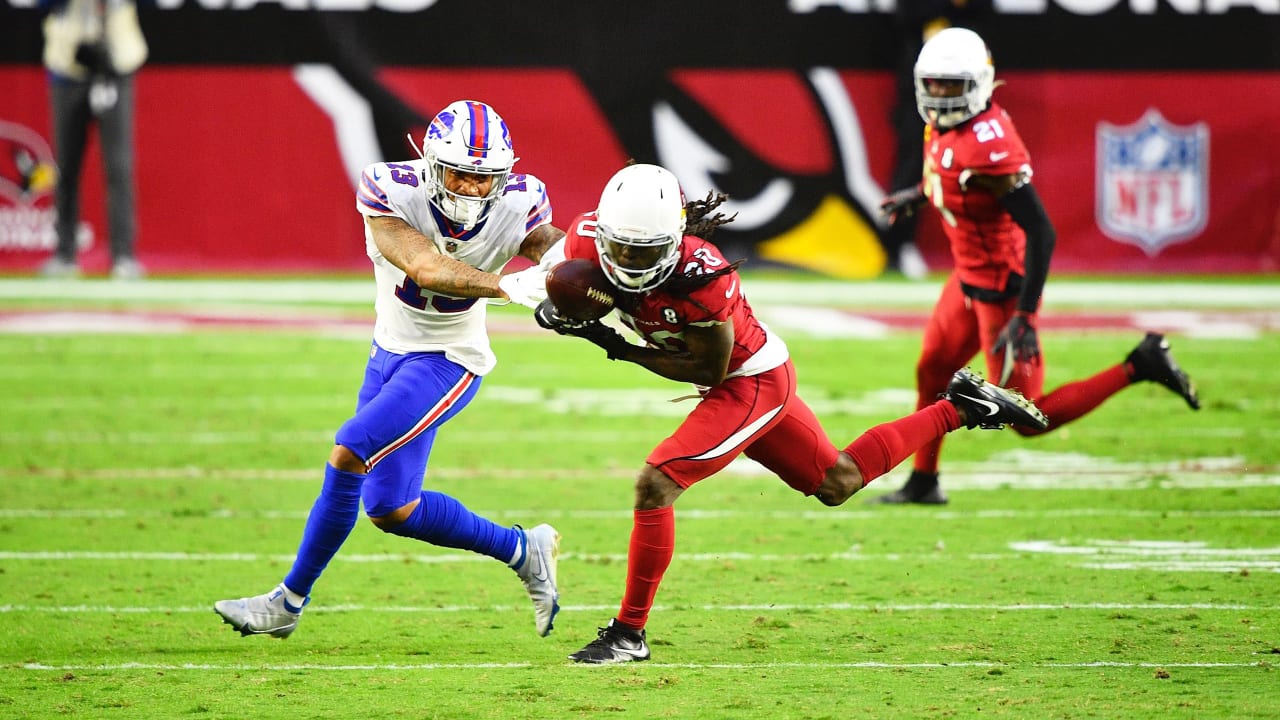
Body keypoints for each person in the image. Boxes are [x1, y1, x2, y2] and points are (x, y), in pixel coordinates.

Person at [532, 163, 1049, 664]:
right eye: (622, 248)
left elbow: (709, 372)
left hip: (748, 379)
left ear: (675, 237)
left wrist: (613, 344)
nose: (632, 262)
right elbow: (548, 270)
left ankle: (628, 634)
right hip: (737, 379)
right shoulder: (582, 242)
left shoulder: (703, 278)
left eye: (646, 251)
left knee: (657, 482)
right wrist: (552, 300)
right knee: (837, 481)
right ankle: (961, 407)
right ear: (602, 234)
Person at [215, 100, 565, 639]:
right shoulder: (388, 189)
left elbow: (553, 249)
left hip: (449, 360)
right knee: (392, 509)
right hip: (388, 353)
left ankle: (288, 600)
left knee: (350, 447)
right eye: (460, 174)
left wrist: (577, 265)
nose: (472, 189)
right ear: (429, 165)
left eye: (484, 178)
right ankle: (523, 550)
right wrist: (506, 284)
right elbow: (425, 265)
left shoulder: (520, 201)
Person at [872, 28, 1200, 505]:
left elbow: (1042, 230)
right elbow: (951, 174)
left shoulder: (990, 143)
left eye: (951, 85)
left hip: (1003, 290)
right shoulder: (943, 127)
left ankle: (1139, 364)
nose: (941, 95)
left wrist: (1025, 314)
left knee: (1026, 417)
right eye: (935, 84)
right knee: (932, 370)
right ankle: (924, 481)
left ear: (979, 84)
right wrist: (919, 195)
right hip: (966, 279)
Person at [38, 0, 148, 279]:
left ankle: (123, 255)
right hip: (68, 66)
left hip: (115, 65)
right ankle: (65, 253)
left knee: (119, 166)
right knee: (66, 166)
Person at [881, 0, 990, 279]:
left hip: (968, 86)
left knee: (978, 160)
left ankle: (983, 243)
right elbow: (904, 16)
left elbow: (984, 13)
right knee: (915, 162)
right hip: (922, 84)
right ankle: (899, 245)